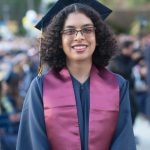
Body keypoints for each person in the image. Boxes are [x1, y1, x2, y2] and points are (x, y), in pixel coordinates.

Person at [16, 0, 136, 150]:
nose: (79, 37)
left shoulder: (117, 86)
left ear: (97, 36)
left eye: (87, 30)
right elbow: (34, 143)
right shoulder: (41, 88)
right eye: (70, 31)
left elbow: (123, 142)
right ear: (59, 40)